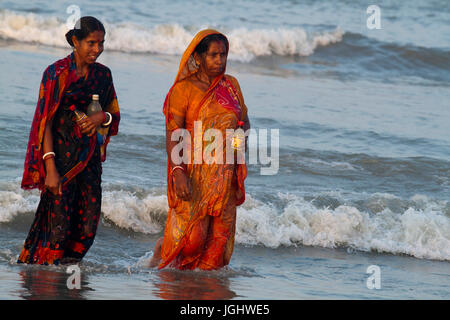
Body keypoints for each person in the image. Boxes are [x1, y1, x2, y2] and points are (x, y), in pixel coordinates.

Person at [17, 16, 120, 265]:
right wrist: (49, 168)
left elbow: (113, 116)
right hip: (61, 163)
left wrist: (100, 118)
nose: (98, 49)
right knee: (58, 227)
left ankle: (68, 274)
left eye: (101, 43)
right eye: (91, 43)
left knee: (87, 227)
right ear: (75, 41)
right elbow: (45, 124)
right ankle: (44, 277)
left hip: (90, 161)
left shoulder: (103, 75)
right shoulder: (56, 73)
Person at [149, 29, 250, 270]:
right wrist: (178, 172)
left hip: (224, 174)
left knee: (218, 242)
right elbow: (174, 134)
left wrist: (236, 150)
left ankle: (203, 293)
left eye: (223, 54)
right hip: (193, 172)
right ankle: (159, 252)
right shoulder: (183, 90)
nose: (220, 60)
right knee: (191, 241)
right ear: (199, 57)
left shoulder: (232, 85)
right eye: (213, 55)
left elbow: (243, 123)